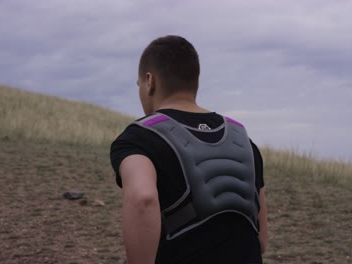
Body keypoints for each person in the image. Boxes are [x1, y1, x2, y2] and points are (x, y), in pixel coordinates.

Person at [110, 35, 268, 264]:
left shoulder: (138, 138)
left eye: (139, 85)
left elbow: (142, 198)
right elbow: (261, 239)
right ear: (194, 81)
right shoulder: (243, 141)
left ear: (149, 81)